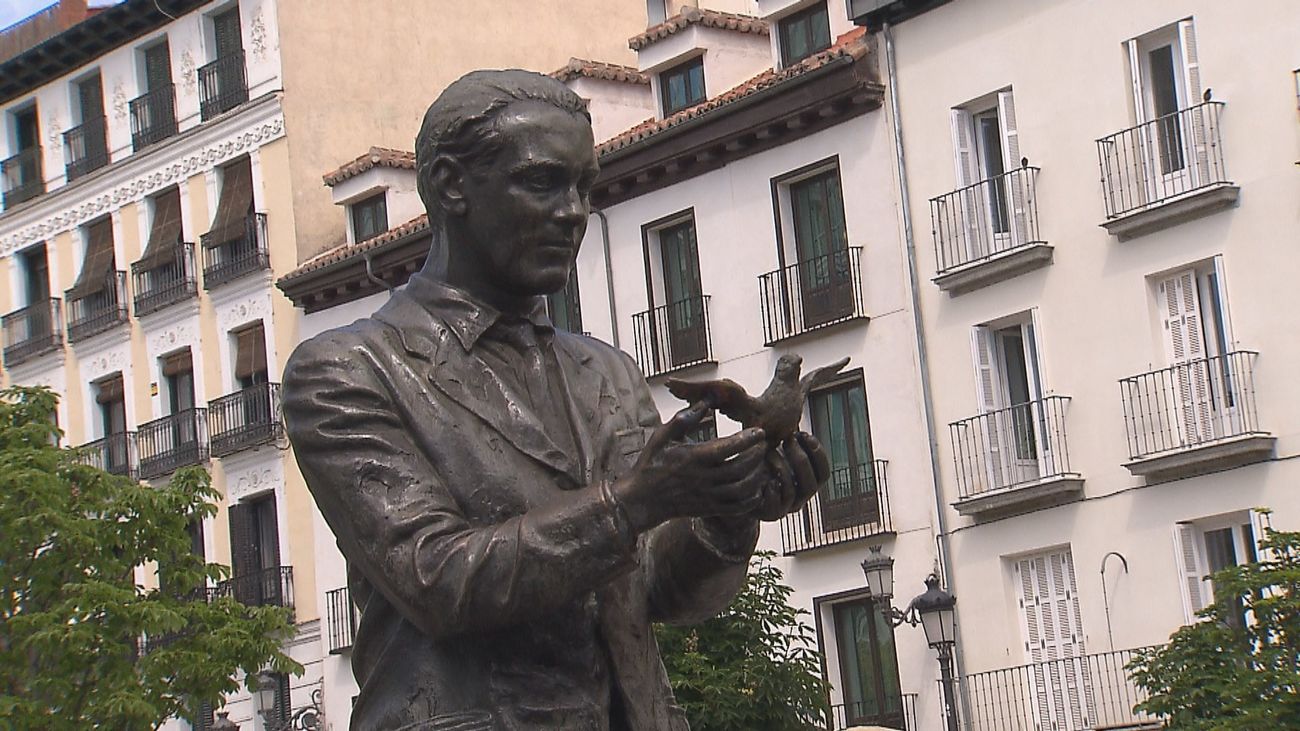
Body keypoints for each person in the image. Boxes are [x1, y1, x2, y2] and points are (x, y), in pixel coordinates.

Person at [281, 69, 830, 731]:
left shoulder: (606, 374)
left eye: (584, 187)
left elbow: (657, 585)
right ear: (453, 185)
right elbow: (437, 579)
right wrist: (640, 499)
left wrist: (727, 512)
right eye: (543, 182)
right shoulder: (348, 370)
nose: (573, 211)